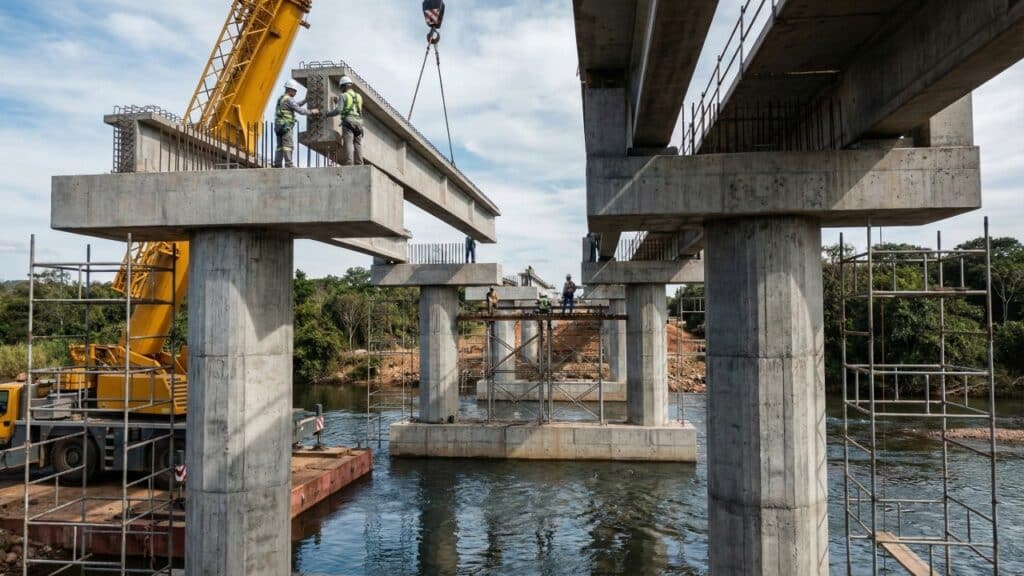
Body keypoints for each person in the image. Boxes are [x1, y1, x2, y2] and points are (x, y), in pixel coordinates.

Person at [274, 79, 318, 168]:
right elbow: (300, 111)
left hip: (279, 126)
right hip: (286, 126)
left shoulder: (281, 98)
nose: (296, 93)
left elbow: (295, 105)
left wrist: (305, 100)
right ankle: (289, 164)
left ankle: (277, 164)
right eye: (295, 91)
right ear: (290, 90)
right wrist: (312, 111)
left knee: (280, 146)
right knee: (288, 146)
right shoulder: (289, 99)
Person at [324, 76, 364, 166]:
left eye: (341, 87)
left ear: (345, 86)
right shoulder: (359, 97)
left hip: (348, 123)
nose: (341, 89)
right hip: (359, 123)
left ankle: (349, 163)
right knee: (358, 144)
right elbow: (358, 110)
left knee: (348, 143)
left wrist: (328, 114)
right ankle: (359, 163)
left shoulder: (343, 96)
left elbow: (339, 110)